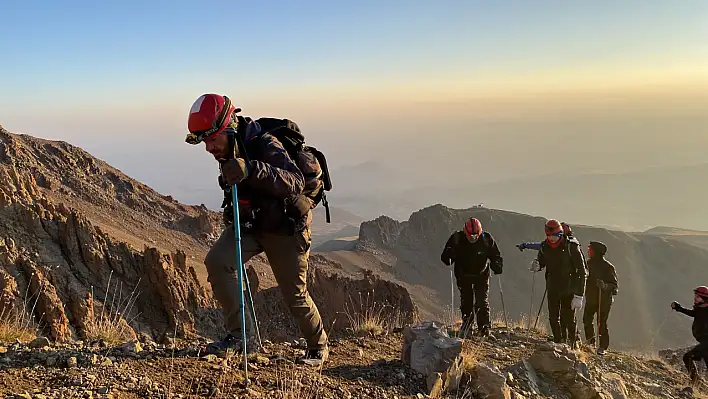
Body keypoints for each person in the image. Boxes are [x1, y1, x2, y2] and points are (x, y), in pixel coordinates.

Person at [185, 93, 328, 366]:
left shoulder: (263, 144)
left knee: (294, 295)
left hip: (286, 227)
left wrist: (251, 168)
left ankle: (318, 346)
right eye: (205, 141)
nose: (209, 148)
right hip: (252, 223)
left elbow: (294, 182)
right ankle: (243, 339)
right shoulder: (230, 147)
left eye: (212, 140)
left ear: (228, 129)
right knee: (217, 261)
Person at [440, 217, 503, 337]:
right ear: (465, 231)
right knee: (466, 300)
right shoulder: (457, 239)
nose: (473, 238)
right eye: (471, 235)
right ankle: (467, 324)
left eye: (476, 235)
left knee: (481, 301)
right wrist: (449, 255)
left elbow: (495, 255)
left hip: (482, 274)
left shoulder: (486, 239)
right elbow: (445, 257)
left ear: (480, 232)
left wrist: (497, 265)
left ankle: (484, 328)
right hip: (463, 275)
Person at [532, 219, 587, 346]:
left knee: (568, 318)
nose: (552, 239)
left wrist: (579, 295)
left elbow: (582, 272)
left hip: (569, 288)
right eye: (549, 236)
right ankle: (558, 342)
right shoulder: (544, 246)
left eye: (555, 236)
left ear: (560, 234)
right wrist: (537, 266)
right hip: (553, 287)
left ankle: (573, 345)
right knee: (553, 317)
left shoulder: (571, 247)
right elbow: (542, 261)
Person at [581, 241, 618, 355]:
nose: (588, 251)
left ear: (596, 252)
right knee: (587, 320)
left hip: (604, 300)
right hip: (591, 298)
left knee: (601, 323)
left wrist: (604, 286)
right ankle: (590, 343)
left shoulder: (608, 267)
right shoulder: (587, 264)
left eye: (590, 249)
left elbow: (614, 285)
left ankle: (603, 347)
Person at [671, 286, 708, 385]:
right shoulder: (699, 309)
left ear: (704, 298)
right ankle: (696, 382)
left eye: (698, 296)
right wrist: (678, 308)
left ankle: (695, 381)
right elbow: (692, 313)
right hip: (704, 342)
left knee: (687, 357)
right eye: (695, 295)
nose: (695, 298)